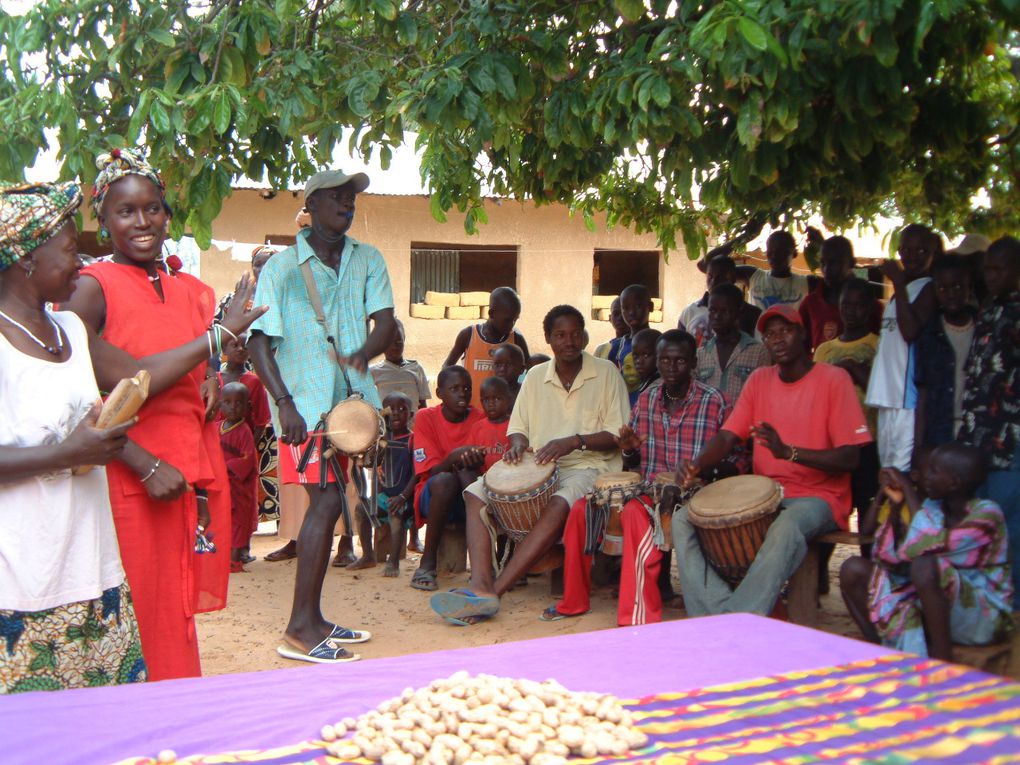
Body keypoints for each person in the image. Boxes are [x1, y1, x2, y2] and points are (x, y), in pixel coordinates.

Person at [0, 181, 263, 691]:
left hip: (90, 564)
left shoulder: (68, 333)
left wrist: (218, 339)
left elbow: (139, 377)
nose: (82, 264)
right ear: (27, 259)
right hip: (19, 570)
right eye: (73, 251)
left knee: (107, 710)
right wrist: (71, 452)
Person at [247, 168, 395, 664]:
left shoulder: (367, 259)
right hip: (304, 405)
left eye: (351, 199)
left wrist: (362, 353)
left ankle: (314, 619)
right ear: (312, 203)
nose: (347, 206)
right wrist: (284, 403)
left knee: (333, 500)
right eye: (336, 198)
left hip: (351, 401)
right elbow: (258, 343)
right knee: (328, 502)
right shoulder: (284, 267)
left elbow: (386, 323)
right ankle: (299, 628)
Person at [430, 305, 630, 624]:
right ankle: (480, 584)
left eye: (576, 333)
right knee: (474, 492)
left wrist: (573, 441)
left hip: (589, 466)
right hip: (538, 463)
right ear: (549, 338)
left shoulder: (606, 373)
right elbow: (518, 429)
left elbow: (617, 435)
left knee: (559, 502)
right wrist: (518, 446)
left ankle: (495, 591)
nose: (570, 341)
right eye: (561, 335)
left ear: (584, 335)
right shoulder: (536, 377)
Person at [672, 304, 872, 616]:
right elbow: (727, 437)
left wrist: (789, 452)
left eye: (786, 331)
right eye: (769, 334)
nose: (777, 339)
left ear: (803, 334)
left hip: (819, 498)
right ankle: (715, 613)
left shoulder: (834, 380)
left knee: (786, 524)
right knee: (685, 518)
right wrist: (697, 463)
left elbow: (850, 457)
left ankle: (738, 618)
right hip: (766, 494)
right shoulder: (759, 381)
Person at [546, 330, 732, 626]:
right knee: (582, 509)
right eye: (665, 360)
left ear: (693, 362)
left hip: (695, 492)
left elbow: (735, 461)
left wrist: (702, 469)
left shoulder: (715, 402)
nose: (671, 367)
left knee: (634, 513)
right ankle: (573, 601)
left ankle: (637, 613)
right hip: (650, 488)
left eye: (680, 360)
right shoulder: (647, 398)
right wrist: (630, 450)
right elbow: (634, 461)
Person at [839, 443, 1013, 660]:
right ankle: (883, 649)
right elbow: (885, 557)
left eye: (933, 471)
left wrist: (908, 491)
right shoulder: (932, 508)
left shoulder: (988, 515)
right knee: (852, 569)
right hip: (939, 611)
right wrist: (894, 511)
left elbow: (922, 545)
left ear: (954, 483)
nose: (923, 477)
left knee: (925, 566)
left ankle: (942, 660)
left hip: (984, 619)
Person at [958, 235, 1020, 607]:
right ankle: (984, 608)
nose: (992, 276)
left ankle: (1009, 612)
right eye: (988, 270)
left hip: (1010, 445)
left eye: (999, 269)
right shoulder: (989, 309)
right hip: (979, 443)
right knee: (981, 529)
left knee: (1009, 530)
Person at [865, 224, 937, 471]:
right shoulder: (900, 293)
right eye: (906, 249)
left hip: (906, 399)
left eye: (920, 250)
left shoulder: (928, 288)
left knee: (901, 473)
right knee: (886, 471)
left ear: (931, 253)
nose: (911, 256)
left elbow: (910, 332)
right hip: (887, 396)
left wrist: (897, 281)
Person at [408, 366, 485, 591]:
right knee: (445, 479)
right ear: (439, 393)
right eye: (454, 389)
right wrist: (453, 457)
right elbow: (430, 472)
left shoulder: (480, 418)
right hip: (434, 498)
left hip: (468, 497)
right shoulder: (426, 418)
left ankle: (483, 569)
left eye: (467, 388)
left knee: (467, 475)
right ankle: (427, 563)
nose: (462, 393)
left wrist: (470, 462)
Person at [814, 277, 883, 522]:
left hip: (868, 440)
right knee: (829, 510)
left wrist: (853, 368)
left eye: (858, 305)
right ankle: (820, 563)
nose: (851, 311)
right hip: (832, 444)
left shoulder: (878, 345)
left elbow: (879, 393)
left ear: (870, 308)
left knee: (868, 509)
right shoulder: (824, 350)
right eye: (846, 305)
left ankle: (868, 560)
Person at [914, 255, 976, 455]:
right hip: (939, 433)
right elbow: (922, 395)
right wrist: (919, 447)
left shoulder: (984, 328)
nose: (951, 294)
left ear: (969, 288)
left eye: (957, 287)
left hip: (976, 430)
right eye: (943, 288)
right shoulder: (929, 333)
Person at [444, 287, 529, 408]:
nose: (512, 325)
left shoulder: (516, 339)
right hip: (472, 415)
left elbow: (530, 372)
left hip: (503, 417)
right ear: (491, 314)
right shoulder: (468, 335)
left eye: (515, 319)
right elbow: (447, 367)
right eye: (508, 320)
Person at [695, 283, 770, 409]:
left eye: (724, 311)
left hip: (743, 427)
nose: (717, 316)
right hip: (709, 426)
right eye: (713, 310)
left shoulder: (758, 352)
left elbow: (764, 396)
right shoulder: (701, 353)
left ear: (739, 312)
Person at [798, 236, 873, 352]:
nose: (827, 269)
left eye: (834, 263)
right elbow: (800, 347)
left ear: (851, 263)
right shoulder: (810, 304)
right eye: (822, 263)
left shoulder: (869, 304)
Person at [219, 382, 258, 574]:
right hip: (220, 485)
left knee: (237, 524)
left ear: (248, 406)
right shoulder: (216, 427)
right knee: (221, 522)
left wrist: (224, 467)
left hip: (238, 486)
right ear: (219, 404)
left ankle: (234, 560)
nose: (233, 407)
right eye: (227, 402)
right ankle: (220, 558)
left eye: (239, 403)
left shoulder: (244, 432)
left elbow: (247, 459)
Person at [680, 254, 761, 345]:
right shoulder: (690, 311)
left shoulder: (752, 313)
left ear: (733, 278)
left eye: (720, 276)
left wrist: (741, 239)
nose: (714, 281)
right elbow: (680, 346)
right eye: (710, 277)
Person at [380, 392, 418, 577]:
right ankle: (368, 556)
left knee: (396, 515)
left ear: (411, 415)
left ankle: (393, 561)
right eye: (390, 410)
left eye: (402, 409)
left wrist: (403, 496)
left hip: (405, 497)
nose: (395, 413)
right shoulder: (381, 441)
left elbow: (417, 473)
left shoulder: (413, 440)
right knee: (360, 511)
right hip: (385, 496)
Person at [735, 231, 811, 312]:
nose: (774, 256)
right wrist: (744, 236)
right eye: (770, 251)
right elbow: (721, 266)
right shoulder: (753, 275)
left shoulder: (807, 282)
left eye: (780, 251)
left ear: (794, 253)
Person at [370, 319, 429, 413]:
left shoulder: (416, 369)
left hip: (412, 425)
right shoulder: (373, 372)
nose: (394, 347)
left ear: (404, 339)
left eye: (398, 342)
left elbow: (423, 405)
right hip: (387, 424)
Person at [606, 284, 653, 394]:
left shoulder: (659, 343)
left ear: (650, 307)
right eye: (626, 308)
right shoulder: (616, 347)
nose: (631, 313)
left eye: (638, 306)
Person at [469, 376, 514, 472]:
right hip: (483, 477)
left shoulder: (514, 425)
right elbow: (471, 453)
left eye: (497, 399)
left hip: (510, 476)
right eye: (486, 400)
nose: (491, 404)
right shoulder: (477, 427)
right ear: (481, 402)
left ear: (508, 400)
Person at [628, 327, 661, 406]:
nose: (639, 361)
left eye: (646, 355)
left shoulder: (659, 388)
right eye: (635, 356)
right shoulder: (646, 381)